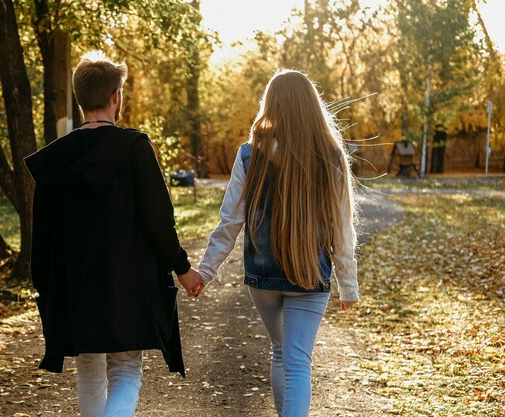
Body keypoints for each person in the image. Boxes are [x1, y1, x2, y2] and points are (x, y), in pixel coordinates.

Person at [24, 51, 204, 417]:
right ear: (116, 96)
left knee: (89, 370)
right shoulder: (135, 148)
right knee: (124, 370)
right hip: (129, 283)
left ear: (80, 99)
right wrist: (183, 270)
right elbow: (158, 219)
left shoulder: (55, 159)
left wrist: (44, 285)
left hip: (75, 285)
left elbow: (42, 233)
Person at [195, 69, 359, 417]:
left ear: (270, 105)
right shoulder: (330, 155)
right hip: (309, 275)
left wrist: (206, 270)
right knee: (297, 362)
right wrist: (348, 286)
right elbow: (342, 227)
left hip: (262, 277)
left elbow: (230, 220)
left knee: (281, 352)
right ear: (311, 107)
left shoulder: (248, 154)